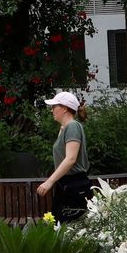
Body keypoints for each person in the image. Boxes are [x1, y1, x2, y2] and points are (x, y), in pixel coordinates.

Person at [35, 91, 91, 221]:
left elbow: (71, 159)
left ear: (64, 108)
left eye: (54, 107)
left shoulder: (72, 126)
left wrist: (49, 182)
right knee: (60, 229)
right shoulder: (66, 128)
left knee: (69, 232)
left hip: (74, 186)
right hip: (68, 185)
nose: (52, 110)